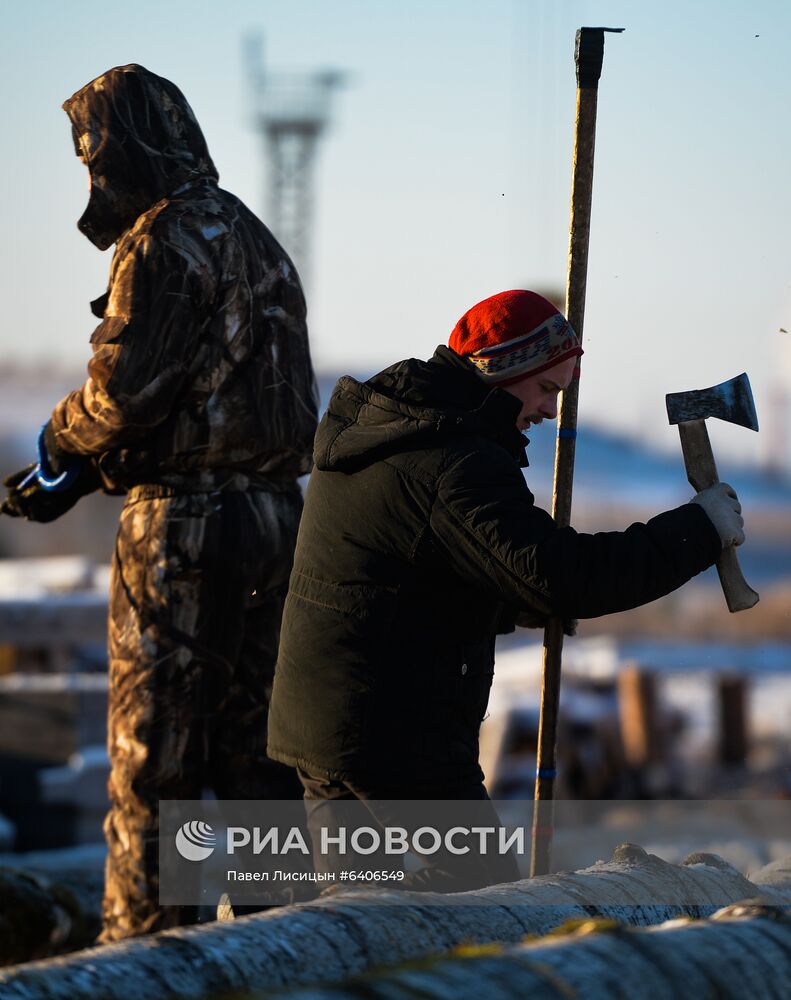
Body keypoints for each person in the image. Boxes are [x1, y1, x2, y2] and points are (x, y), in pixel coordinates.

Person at [267, 289, 743, 889]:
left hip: (330, 720)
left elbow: (417, 569)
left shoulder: (395, 426)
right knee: (483, 905)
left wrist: (511, 600)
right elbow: (562, 575)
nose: (549, 410)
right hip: (395, 736)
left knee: (359, 922)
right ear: (505, 370)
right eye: (547, 389)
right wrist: (698, 531)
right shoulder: (451, 458)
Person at [1, 64, 318, 940]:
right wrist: (96, 473)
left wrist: (61, 446)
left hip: (184, 528)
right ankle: (284, 948)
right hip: (276, 522)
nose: (93, 179)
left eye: (95, 157)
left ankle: (145, 958)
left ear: (128, 147)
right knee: (260, 764)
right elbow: (230, 397)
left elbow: (126, 390)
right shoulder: (255, 238)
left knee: (155, 760)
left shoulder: (165, 240)